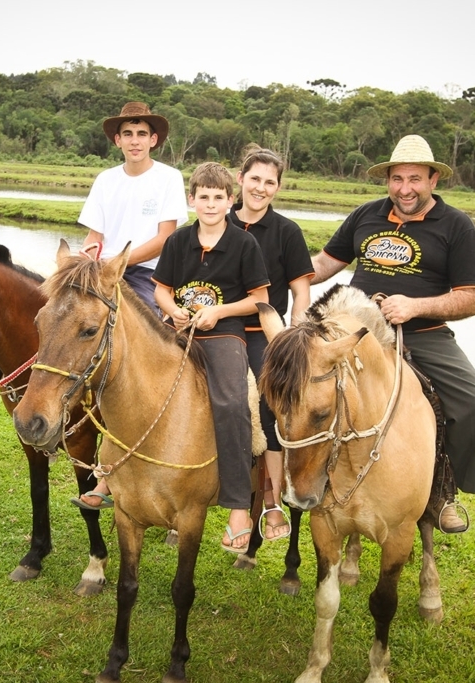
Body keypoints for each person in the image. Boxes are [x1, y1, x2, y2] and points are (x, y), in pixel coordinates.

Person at [310, 134, 475, 534]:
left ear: (433, 180)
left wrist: (416, 306)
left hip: (422, 332)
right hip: (355, 329)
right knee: (298, 382)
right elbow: (325, 262)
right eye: (397, 179)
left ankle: (442, 492)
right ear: (387, 180)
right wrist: (279, 274)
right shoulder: (366, 215)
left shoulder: (457, 226)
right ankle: (300, 480)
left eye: (415, 179)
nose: (405, 188)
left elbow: (470, 298)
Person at [72, 101, 189, 512]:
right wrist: (90, 254)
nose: (135, 141)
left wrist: (118, 262)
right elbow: (94, 234)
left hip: (148, 274)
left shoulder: (168, 179)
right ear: (117, 140)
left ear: (153, 139)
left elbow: (165, 239)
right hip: (105, 271)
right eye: (128, 134)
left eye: (142, 133)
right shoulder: (106, 180)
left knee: (153, 359)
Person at [152, 162, 270, 553]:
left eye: (219, 198)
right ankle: (109, 477)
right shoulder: (177, 242)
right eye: (203, 197)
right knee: (139, 383)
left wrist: (218, 311)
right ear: (192, 200)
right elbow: (161, 290)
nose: (211, 204)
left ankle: (238, 506)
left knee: (233, 402)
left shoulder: (243, 244)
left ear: (230, 201)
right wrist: (173, 309)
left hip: (223, 335)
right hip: (178, 330)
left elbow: (259, 300)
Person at [227, 146, 313, 542]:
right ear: (240, 179)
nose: (260, 188)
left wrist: (292, 337)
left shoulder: (286, 232)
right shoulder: (217, 219)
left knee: (268, 405)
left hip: (263, 331)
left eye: (269, 182)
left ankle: (273, 498)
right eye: (255, 179)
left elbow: (300, 290)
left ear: (277, 188)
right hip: (215, 328)